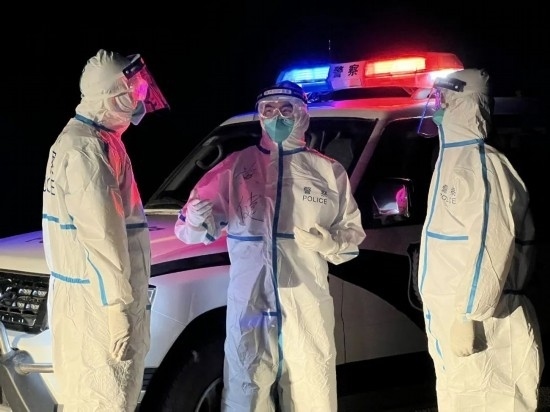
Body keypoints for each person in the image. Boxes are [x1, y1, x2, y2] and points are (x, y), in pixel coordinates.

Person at [174, 81, 365, 411]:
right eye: (268, 109)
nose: (277, 116)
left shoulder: (327, 172)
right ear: (259, 115)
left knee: (312, 384)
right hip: (250, 302)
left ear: (302, 114)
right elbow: (190, 230)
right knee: (246, 383)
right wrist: (195, 220)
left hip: (305, 301)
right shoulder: (236, 167)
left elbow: (351, 236)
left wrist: (331, 242)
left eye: (286, 108)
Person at [42, 49, 169, 411]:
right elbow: (102, 237)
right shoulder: (88, 149)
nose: (140, 96)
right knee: (104, 399)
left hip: (86, 298)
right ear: (110, 94)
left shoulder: (89, 139)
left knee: (88, 398)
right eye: (134, 89)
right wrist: (117, 307)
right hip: (97, 305)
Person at [417, 68, 544, 411]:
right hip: (454, 318)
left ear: (465, 103)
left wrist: (468, 312)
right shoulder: (451, 162)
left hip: (486, 321)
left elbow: (491, 243)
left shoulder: (483, 165)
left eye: (443, 98)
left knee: (493, 399)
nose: (437, 106)